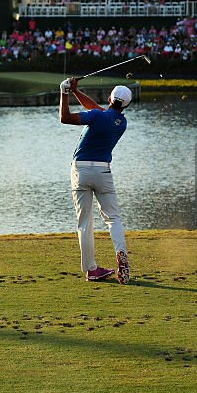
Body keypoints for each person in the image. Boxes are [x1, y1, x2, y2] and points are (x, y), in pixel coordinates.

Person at [59, 76, 131, 284]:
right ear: (125, 105)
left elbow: (65, 118)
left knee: (85, 223)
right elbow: (97, 110)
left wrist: (63, 92)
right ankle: (121, 253)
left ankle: (91, 269)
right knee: (113, 218)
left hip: (80, 171)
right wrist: (75, 91)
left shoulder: (97, 117)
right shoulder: (121, 122)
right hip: (103, 172)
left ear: (110, 98)